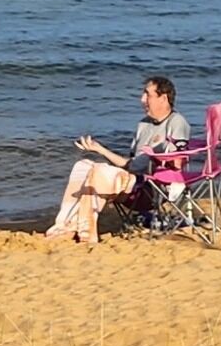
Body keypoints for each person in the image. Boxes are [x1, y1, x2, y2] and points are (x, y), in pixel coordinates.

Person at [46, 74, 191, 242]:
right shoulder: (143, 125)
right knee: (83, 165)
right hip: (132, 181)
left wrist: (160, 154)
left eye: (148, 95)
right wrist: (99, 149)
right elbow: (130, 164)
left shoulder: (177, 122)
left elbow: (177, 162)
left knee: (100, 172)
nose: (142, 99)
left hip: (152, 188)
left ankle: (86, 232)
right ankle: (64, 225)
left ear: (163, 98)